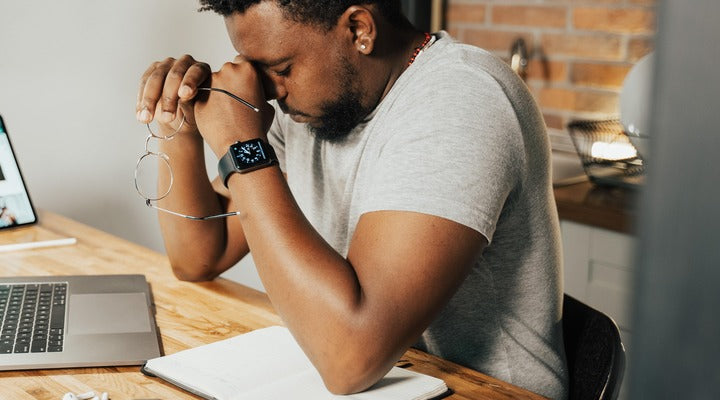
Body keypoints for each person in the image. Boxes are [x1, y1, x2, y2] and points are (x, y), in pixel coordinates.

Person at [135, 1, 567, 397]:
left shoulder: (460, 99)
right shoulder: (312, 109)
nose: (271, 92)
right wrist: (181, 122)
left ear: (360, 29)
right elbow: (198, 257)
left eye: (281, 68)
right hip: (383, 378)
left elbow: (349, 360)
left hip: (487, 392)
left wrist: (241, 146)